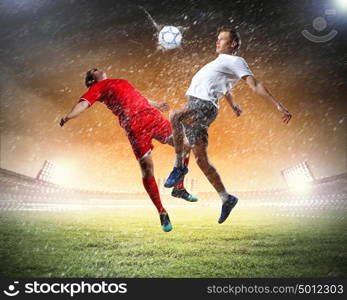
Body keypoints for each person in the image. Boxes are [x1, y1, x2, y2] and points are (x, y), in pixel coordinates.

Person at [165, 28, 292, 224]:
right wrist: (233, 106)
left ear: (233, 44)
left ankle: (179, 168)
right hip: (200, 105)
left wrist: (278, 105)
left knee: (175, 115)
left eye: (222, 39)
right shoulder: (221, 64)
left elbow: (255, 85)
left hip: (202, 105)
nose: (217, 42)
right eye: (217, 39)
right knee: (201, 160)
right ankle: (226, 198)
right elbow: (224, 87)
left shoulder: (236, 61)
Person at [59, 68, 197, 232]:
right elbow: (83, 104)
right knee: (147, 171)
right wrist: (68, 116)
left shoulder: (120, 81)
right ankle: (162, 211)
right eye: (93, 71)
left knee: (187, 144)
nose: (98, 69)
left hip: (152, 116)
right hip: (135, 127)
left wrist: (155, 104)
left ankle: (179, 187)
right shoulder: (97, 88)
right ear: (91, 80)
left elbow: (137, 97)